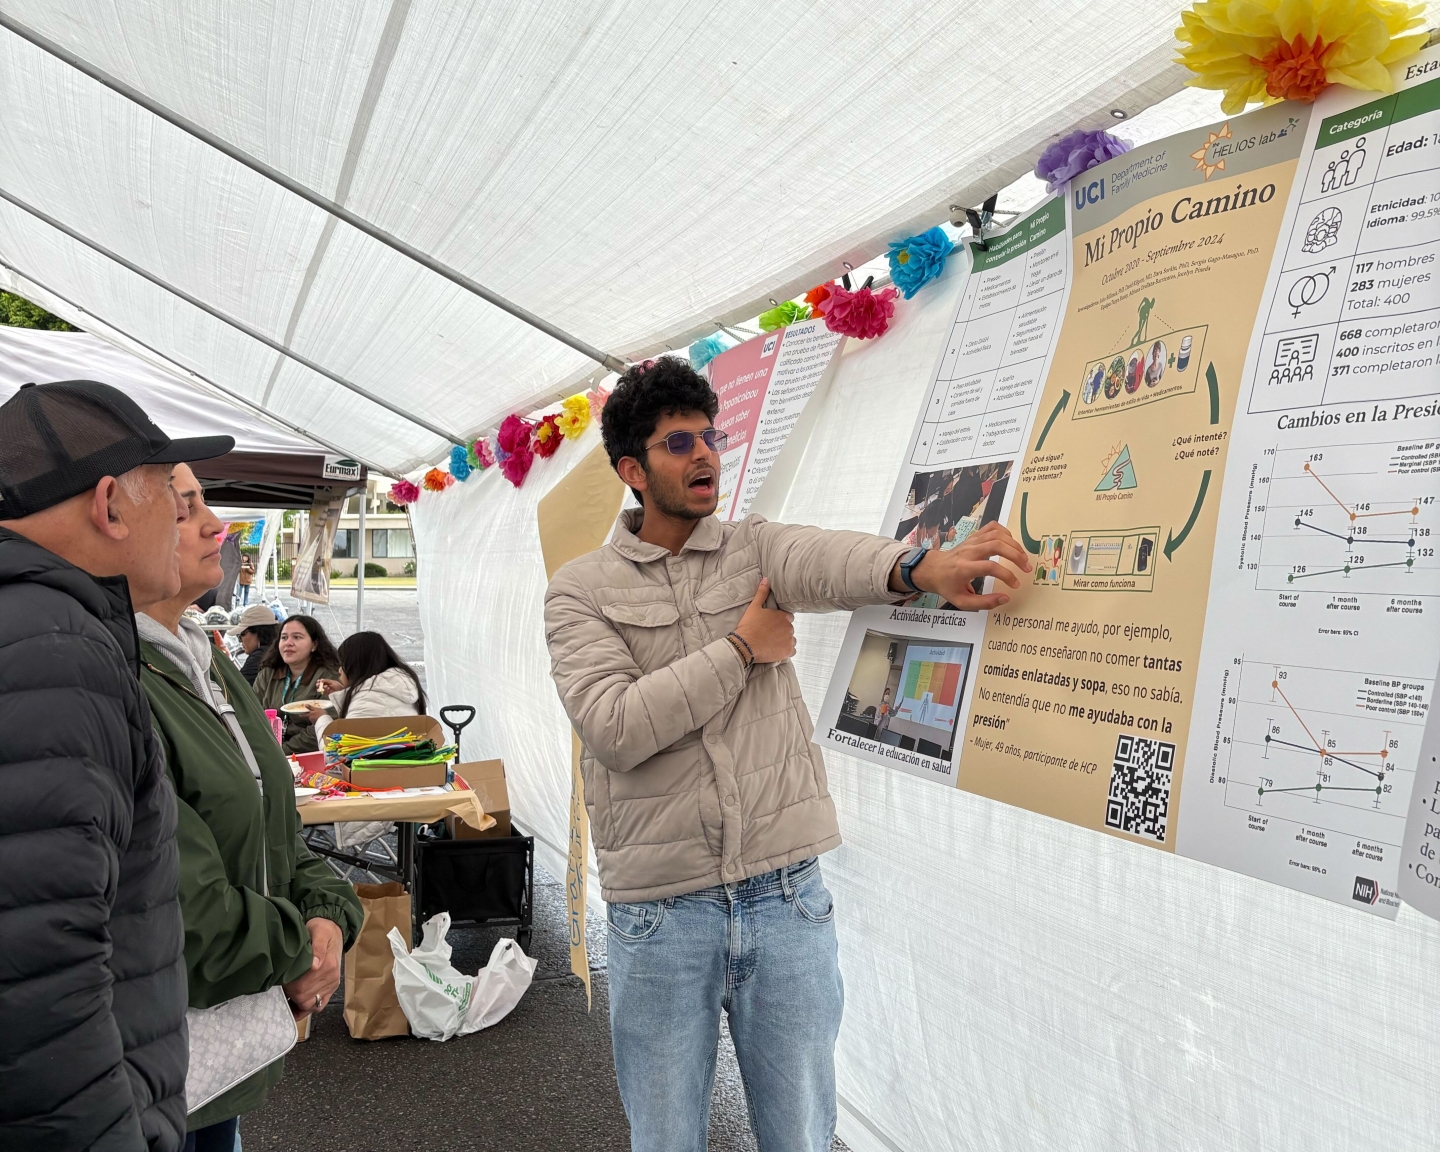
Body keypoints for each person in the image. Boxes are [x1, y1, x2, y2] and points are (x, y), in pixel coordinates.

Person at [544, 359, 1029, 1152]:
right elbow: (614, 726)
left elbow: (831, 560)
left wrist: (922, 567)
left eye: (710, 436)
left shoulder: (754, 548)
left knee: (802, 1134)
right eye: (677, 443)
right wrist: (742, 650)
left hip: (787, 897)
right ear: (633, 470)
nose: (704, 455)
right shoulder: (579, 590)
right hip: (661, 914)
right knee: (665, 1138)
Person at [0, 379, 233, 1151]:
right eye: (172, 495)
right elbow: (39, 982)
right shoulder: (52, 651)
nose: (190, 521)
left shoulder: (45, 630)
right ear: (109, 505)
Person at [133, 464, 363, 1149]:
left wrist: (329, 913)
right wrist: (302, 949)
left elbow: (277, 828)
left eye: (206, 502)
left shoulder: (205, 657)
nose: (215, 526)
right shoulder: (118, 677)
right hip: (158, 1048)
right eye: (183, 510)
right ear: (114, 522)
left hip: (224, 1043)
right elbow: (183, 901)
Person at [304, 630, 427, 743]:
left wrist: (321, 719)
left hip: (382, 766)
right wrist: (345, 693)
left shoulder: (367, 700)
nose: (340, 671)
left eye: (344, 665)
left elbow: (337, 754)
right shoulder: (394, 685)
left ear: (356, 666)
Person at [252, 614, 341, 754]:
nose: (288, 643)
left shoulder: (329, 676)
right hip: (269, 750)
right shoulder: (267, 674)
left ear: (314, 644)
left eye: (297, 637)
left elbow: (325, 725)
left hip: (310, 752)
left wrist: (282, 751)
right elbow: (252, 716)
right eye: (284, 637)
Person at [227, 603, 279, 685]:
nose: (240, 640)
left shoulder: (259, 657)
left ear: (259, 633)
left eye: (242, 634)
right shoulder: (276, 651)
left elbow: (239, 688)